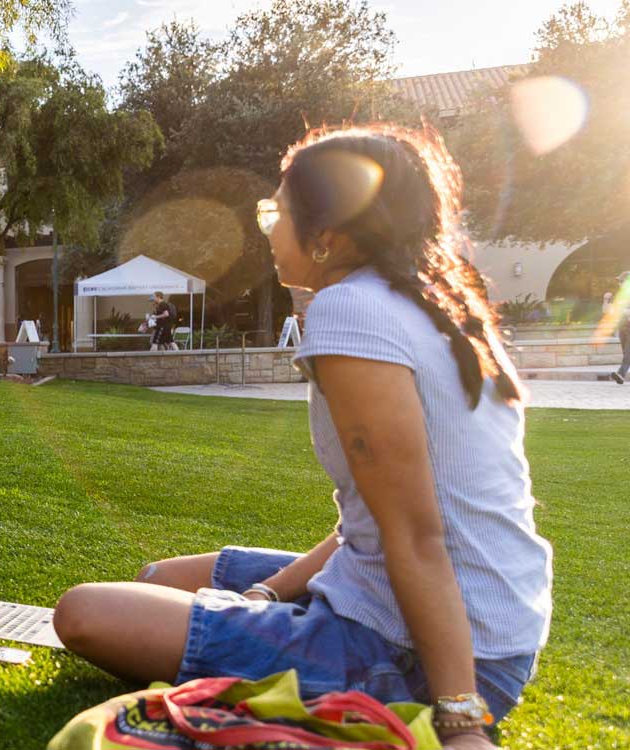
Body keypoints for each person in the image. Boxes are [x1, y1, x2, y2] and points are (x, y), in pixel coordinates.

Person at [50, 125, 548, 750]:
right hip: (470, 621)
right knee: (155, 578)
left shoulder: (351, 311)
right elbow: (370, 524)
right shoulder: (427, 306)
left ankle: (432, 696)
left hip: (423, 653)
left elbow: (416, 535)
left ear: (327, 234)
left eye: (274, 211)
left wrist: (459, 722)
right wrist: (267, 594)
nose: (268, 228)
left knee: (86, 613)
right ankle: (282, 618)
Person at [610, 276, 627, 385]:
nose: (619, 283)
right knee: (626, 353)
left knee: (628, 353)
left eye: (621, 281)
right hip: (622, 328)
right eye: (619, 281)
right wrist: (606, 300)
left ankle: (621, 374)